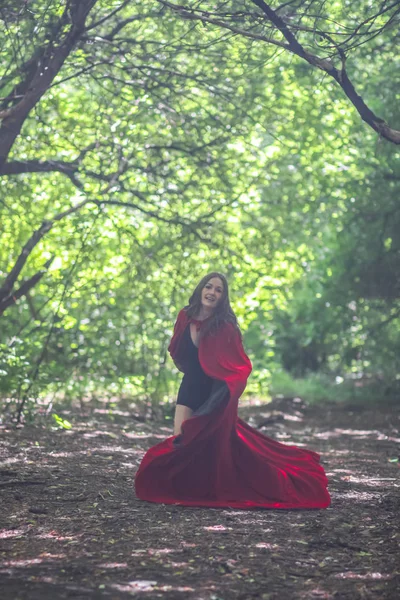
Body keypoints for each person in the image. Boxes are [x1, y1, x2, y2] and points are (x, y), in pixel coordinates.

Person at [134, 272, 330, 509]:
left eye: (218, 290)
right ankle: (181, 488)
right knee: (180, 445)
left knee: (210, 443)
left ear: (222, 297)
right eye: (209, 287)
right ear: (200, 289)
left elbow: (239, 365)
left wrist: (226, 393)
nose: (212, 293)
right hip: (189, 388)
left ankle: (207, 489)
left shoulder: (225, 326)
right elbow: (177, 349)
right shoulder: (184, 316)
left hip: (215, 394)